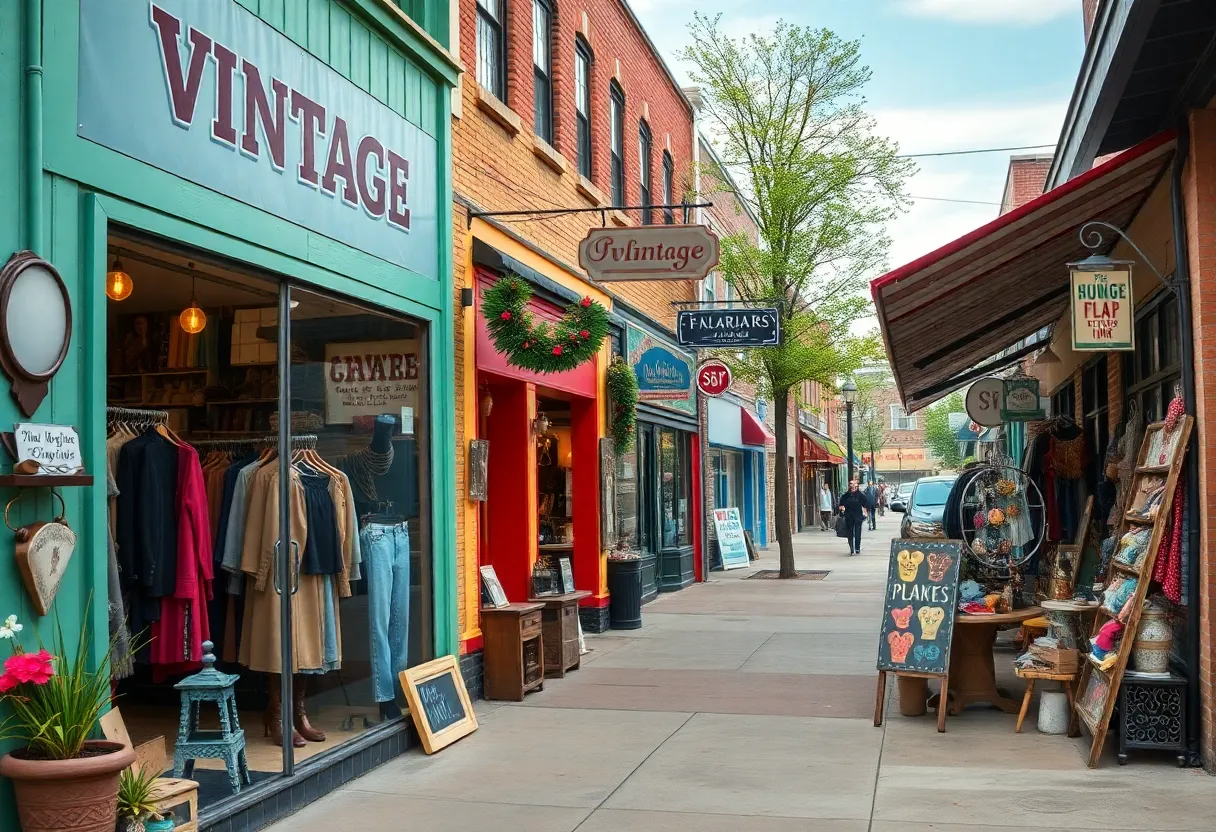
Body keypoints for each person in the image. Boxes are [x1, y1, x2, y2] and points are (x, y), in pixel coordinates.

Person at [839, 480, 868, 555]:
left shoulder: (861, 495)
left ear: (857, 486)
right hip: (849, 516)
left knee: (858, 532)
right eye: (851, 485)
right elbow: (841, 505)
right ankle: (852, 547)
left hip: (858, 516)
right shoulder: (845, 496)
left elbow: (866, 504)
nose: (853, 487)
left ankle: (857, 547)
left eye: (854, 485)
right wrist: (842, 508)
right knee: (850, 532)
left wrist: (865, 511)